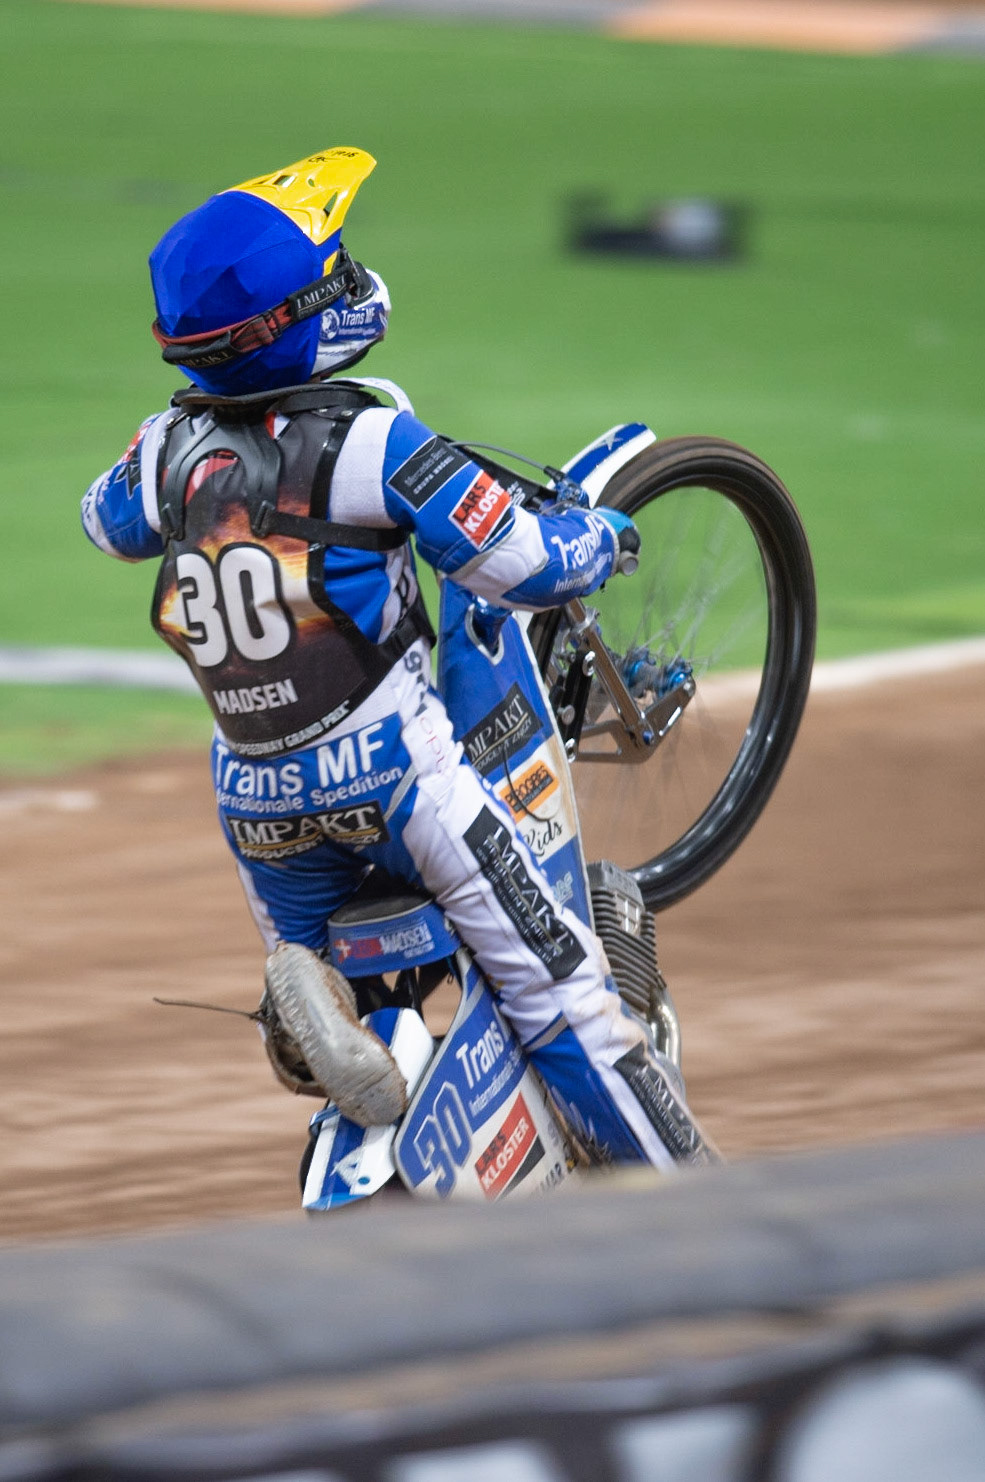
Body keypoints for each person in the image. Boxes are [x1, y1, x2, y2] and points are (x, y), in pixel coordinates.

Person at [81, 146, 712, 1171]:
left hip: (253, 798)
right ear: (295, 321)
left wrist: (173, 442)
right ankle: (716, 1216)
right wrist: (602, 539)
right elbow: (518, 562)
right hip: (398, 775)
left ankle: (320, 1018)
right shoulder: (374, 442)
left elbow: (104, 524)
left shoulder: (166, 453)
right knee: (565, 1004)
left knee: (350, 984)